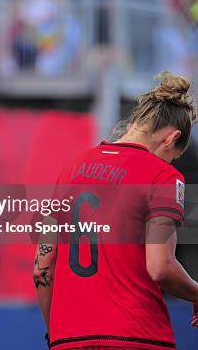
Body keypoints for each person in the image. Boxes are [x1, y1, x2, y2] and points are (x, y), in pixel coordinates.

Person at [34, 71, 198, 350]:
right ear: (171, 138)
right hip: (137, 335)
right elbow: (161, 268)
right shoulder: (163, 176)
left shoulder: (70, 169)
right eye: (173, 158)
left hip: (68, 339)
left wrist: (56, 334)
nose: (170, 163)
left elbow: (41, 268)